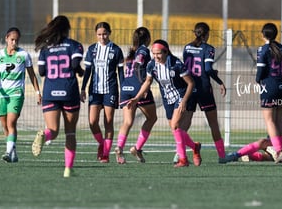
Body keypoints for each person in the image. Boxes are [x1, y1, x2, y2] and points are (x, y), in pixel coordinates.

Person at [127, 39, 201, 167]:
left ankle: (183, 159)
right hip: (167, 99)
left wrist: (184, 101)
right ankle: (195, 147)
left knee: (175, 125)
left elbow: (191, 83)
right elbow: (147, 82)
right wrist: (137, 97)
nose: (156, 56)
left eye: (159, 53)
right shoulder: (152, 65)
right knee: (175, 129)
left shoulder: (176, 64)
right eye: (154, 53)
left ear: (166, 52)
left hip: (181, 95)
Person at [31, 15, 84, 178]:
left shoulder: (46, 48)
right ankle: (68, 168)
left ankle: (44, 135)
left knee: (53, 130)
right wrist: (81, 72)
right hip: (69, 91)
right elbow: (75, 65)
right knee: (70, 133)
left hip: (50, 92)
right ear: (67, 29)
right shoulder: (74, 45)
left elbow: (41, 72)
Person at [0, 27, 41, 163]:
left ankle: (8, 152)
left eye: (16, 40)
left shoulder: (23, 55)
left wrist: (38, 92)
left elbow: (32, 75)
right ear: (6, 39)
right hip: (2, 95)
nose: (14, 42)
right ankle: (13, 152)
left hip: (17, 94)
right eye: (12, 39)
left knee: (11, 122)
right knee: (5, 126)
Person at [181, 22, 227, 163]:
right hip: (204, 89)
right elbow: (207, 69)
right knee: (213, 123)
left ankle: (180, 153)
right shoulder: (208, 49)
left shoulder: (186, 48)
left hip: (189, 88)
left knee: (185, 122)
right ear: (207, 34)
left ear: (195, 33)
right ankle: (221, 156)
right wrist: (219, 81)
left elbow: (186, 69)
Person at [80, 22, 124, 163]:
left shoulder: (116, 50)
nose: (102, 37)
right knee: (92, 121)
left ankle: (105, 153)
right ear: (96, 35)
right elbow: (87, 71)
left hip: (110, 89)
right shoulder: (92, 49)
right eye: (99, 34)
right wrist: (82, 88)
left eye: (104, 33)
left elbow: (121, 74)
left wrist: (122, 92)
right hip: (94, 90)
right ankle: (101, 143)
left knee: (108, 122)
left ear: (109, 33)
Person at [115, 27, 158, 164]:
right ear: (147, 38)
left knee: (127, 122)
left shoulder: (130, 52)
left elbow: (120, 70)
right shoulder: (143, 50)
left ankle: (119, 148)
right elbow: (139, 67)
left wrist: (123, 86)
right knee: (152, 118)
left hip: (125, 88)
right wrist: (143, 85)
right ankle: (137, 148)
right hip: (138, 89)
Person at [256, 22, 282, 163]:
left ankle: (278, 151)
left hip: (270, 87)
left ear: (263, 34)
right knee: (280, 119)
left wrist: (258, 81)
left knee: (270, 120)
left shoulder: (263, 49)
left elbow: (260, 72)